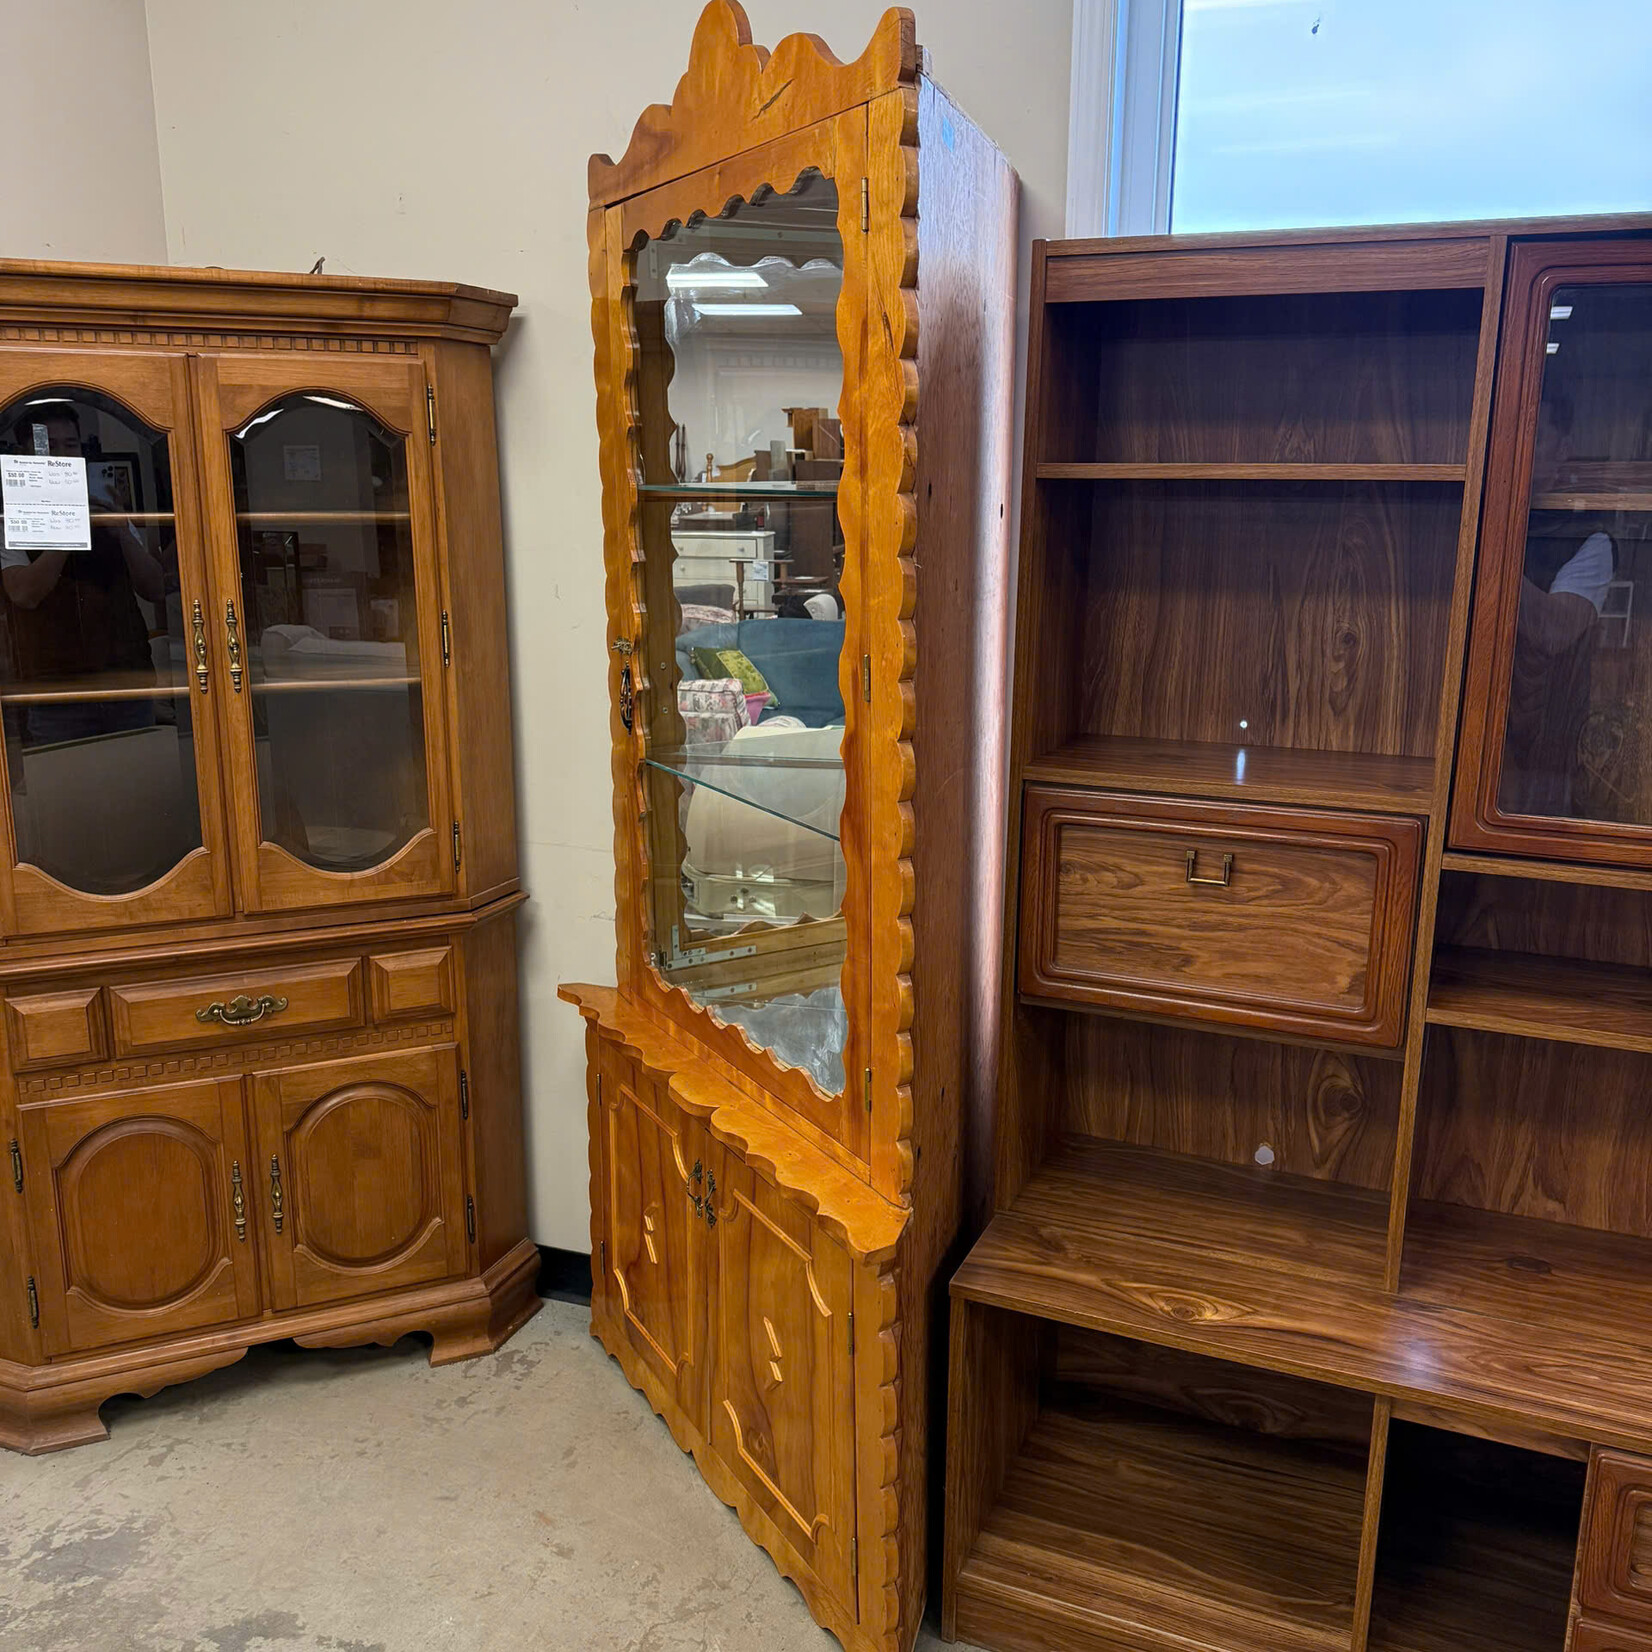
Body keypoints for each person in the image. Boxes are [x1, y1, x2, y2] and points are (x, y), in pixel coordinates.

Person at [1, 404, 167, 742]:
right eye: (49, 445)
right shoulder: (12, 520)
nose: (62, 454)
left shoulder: (105, 503)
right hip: (56, 694)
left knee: (139, 783)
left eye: (71, 445)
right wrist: (71, 527)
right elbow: (24, 594)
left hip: (126, 683)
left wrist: (120, 530)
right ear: (25, 453)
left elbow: (154, 588)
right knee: (68, 787)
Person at [1502, 528, 1616, 818]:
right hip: (1489, 717)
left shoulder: (1595, 541)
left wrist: (1490, 561)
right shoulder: (1518, 525)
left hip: (1544, 735)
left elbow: (1554, 631)